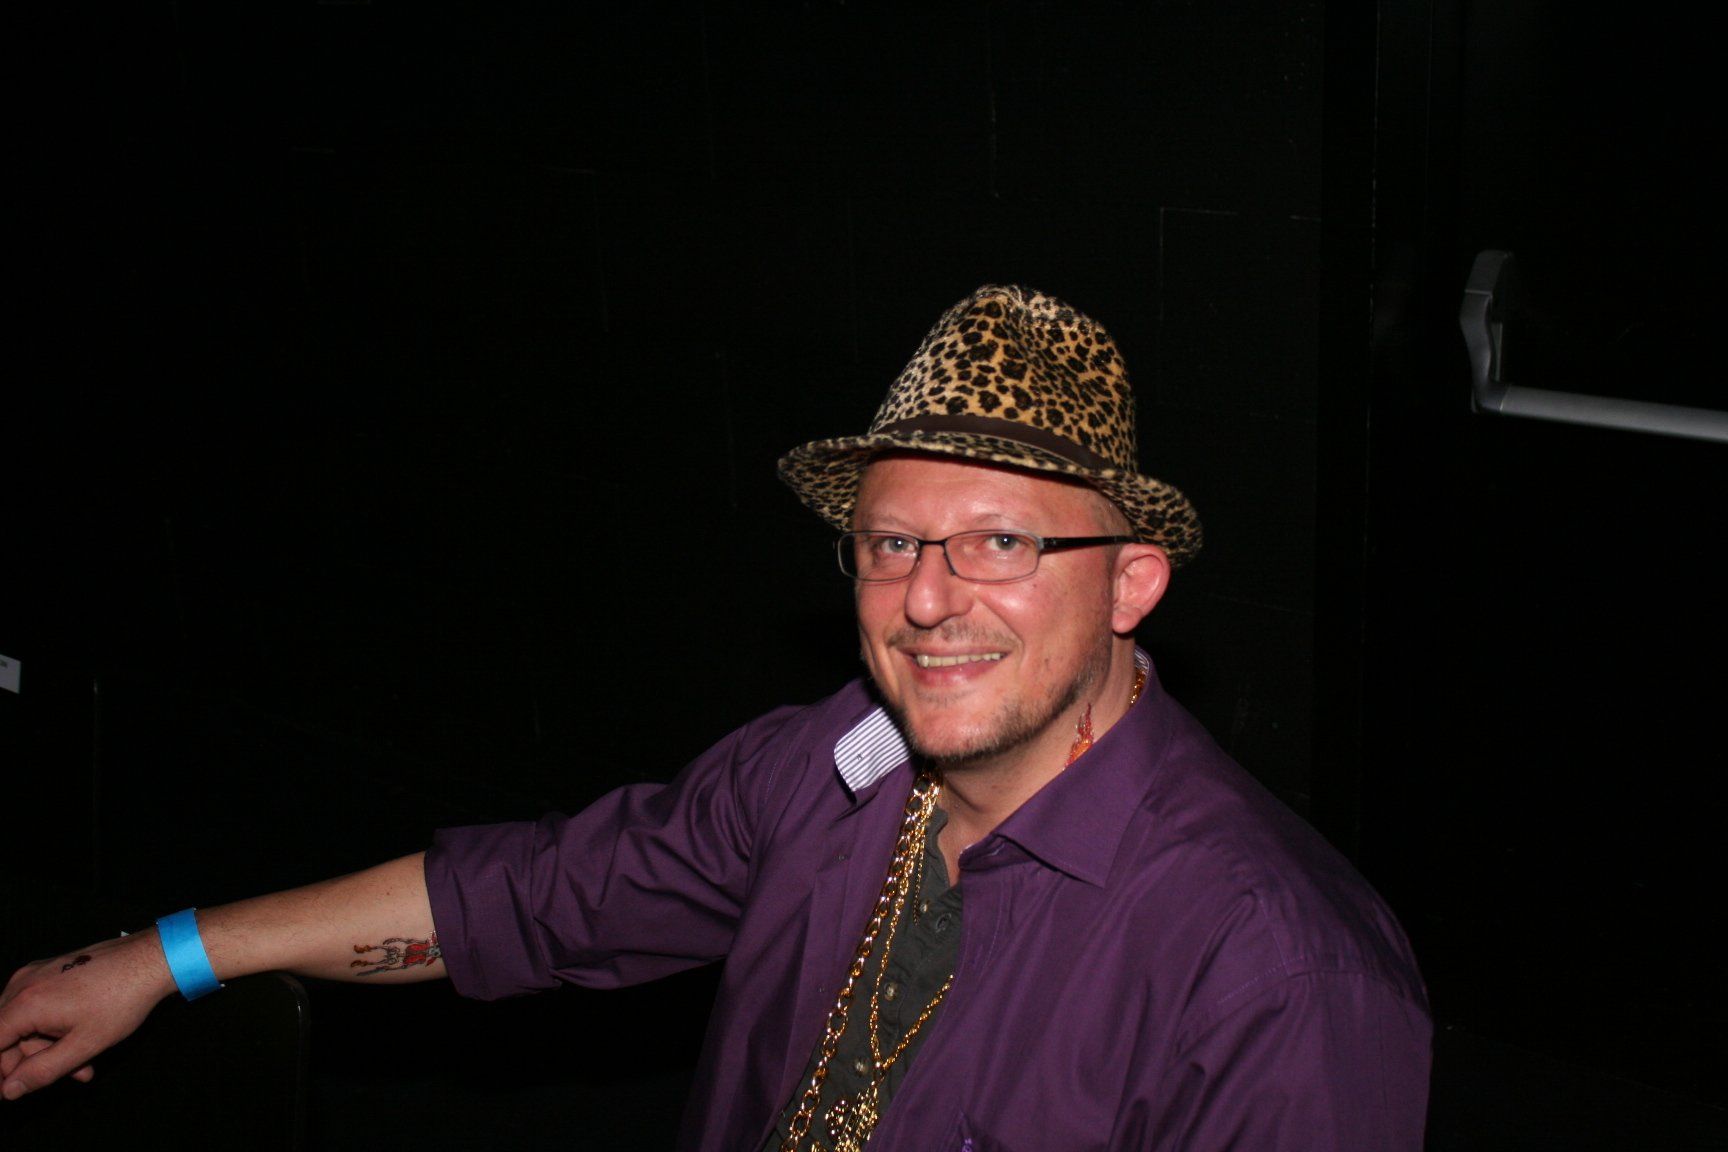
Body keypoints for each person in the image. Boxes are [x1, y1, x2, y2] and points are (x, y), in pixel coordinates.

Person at [1, 285, 1431, 1149]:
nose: (930, 598)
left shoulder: (1282, 974)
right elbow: (535, 896)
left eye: (1000, 542)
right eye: (891, 543)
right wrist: (162, 956)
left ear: (1129, 584)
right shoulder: (829, 768)